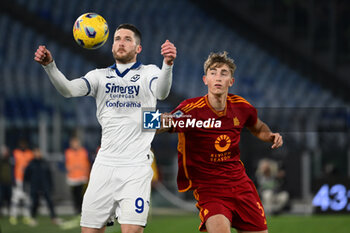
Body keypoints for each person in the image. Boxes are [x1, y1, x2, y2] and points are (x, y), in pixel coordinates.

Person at [34, 23, 176, 233]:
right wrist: (50, 66)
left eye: (128, 39)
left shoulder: (150, 72)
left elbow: (162, 93)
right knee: (90, 231)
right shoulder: (98, 76)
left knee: (132, 230)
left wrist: (168, 64)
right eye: (117, 38)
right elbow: (68, 90)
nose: (121, 42)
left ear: (138, 48)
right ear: (111, 46)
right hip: (104, 166)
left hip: (136, 166)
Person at [159, 52, 282, 233]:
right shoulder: (191, 109)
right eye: (213, 72)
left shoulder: (241, 107)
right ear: (205, 79)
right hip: (210, 188)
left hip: (240, 184)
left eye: (224, 73)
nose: (218, 77)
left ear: (231, 81)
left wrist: (269, 135)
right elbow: (165, 122)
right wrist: (144, 121)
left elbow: (257, 126)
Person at [24, 147, 61, 226]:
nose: (38, 153)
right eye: (36, 152)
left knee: (50, 202)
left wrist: (51, 186)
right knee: (35, 203)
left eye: (39, 152)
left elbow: (49, 175)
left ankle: (54, 218)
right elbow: (26, 176)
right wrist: (28, 185)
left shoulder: (44, 163)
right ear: (33, 153)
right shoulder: (31, 163)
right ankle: (33, 218)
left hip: (45, 186)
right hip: (35, 186)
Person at [9, 139, 34, 225]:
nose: (23, 145)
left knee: (27, 199)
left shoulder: (30, 154)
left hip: (26, 180)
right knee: (15, 198)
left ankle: (26, 216)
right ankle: (13, 216)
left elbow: (31, 168)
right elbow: (12, 167)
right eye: (21, 144)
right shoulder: (15, 153)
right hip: (18, 179)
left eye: (24, 144)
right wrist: (13, 179)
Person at [64, 136, 90, 215]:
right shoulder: (68, 152)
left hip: (82, 177)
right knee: (74, 194)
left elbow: (87, 163)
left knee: (81, 194)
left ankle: (81, 209)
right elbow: (65, 163)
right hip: (72, 177)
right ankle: (76, 208)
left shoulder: (83, 151)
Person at [0, 145, 12, 216]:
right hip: (2, 182)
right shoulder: (1, 161)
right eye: (5, 152)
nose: (6, 153)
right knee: (1, 198)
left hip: (9, 182)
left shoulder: (10, 161)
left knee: (9, 198)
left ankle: (9, 212)